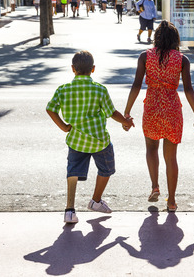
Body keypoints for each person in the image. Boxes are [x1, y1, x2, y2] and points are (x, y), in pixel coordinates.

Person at [46, 51, 134, 224]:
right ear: (93, 69)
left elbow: (50, 108)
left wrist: (64, 127)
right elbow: (111, 113)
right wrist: (126, 122)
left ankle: (69, 210)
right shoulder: (99, 89)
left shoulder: (63, 89)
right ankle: (96, 200)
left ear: (73, 69)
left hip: (76, 140)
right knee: (106, 169)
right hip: (99, 141)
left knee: (72, 172)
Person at [124, 21, 194, 212]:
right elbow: (189, 89)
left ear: (157, 38)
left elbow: (136, 85)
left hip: (152, 106)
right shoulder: (182, 60)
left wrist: (127, 112)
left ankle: (154, 187)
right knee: (171, 156)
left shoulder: (145, 56)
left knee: (151, 148)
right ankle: (172, 200)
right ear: (175, 39)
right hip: (172, 108)